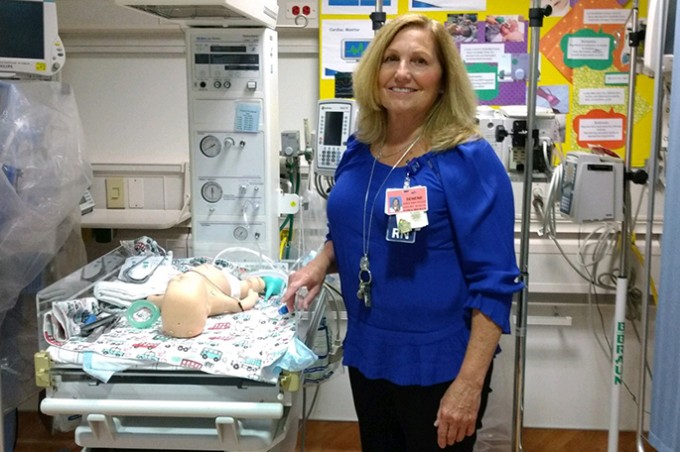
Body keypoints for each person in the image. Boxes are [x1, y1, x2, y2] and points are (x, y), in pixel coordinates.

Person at [282, 14, 522, 451]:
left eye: (420, 61)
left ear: (443, 79)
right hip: (370, 349)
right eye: (390, 59)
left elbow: (495, 283)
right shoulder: (360, 149)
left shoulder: (466, 160)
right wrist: (321, 263)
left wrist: (469, 385)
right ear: (374, 72)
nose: (402, 72)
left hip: (439, 365)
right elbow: (355, 231)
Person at [148, 264, 283, 338]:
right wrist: (252, 296)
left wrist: (252, 295)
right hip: (221, 283)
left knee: (245, 286)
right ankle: (262, 282)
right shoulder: (215, 300)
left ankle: (262, 281)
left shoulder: (169, 298)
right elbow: (240, 305)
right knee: (243, 287)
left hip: (207, 276)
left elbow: (151, 299)